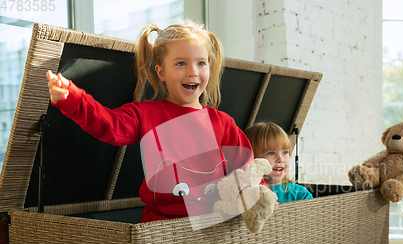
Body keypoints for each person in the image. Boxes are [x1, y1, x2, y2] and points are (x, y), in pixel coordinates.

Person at [46, 21, 256, 223]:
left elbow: (245, 164)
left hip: (213, 223)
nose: (193, 71)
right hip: (160, 229)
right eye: (181, 63)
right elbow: (110, 126)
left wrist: (258, 195)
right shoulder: (145, 114)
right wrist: (73, 98)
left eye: (201, 63)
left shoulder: (223, 122)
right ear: (161, 72)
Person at [245, 122, 313, 203]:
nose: (280, 159)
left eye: (285, 152)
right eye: (271, 153)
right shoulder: (245, 194)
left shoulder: (300, 194)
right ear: (252, 159)